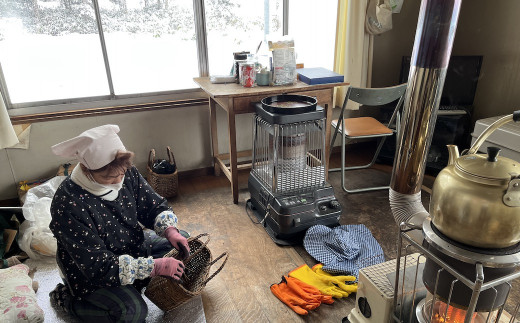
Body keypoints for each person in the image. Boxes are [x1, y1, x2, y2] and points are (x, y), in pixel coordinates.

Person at [48, 124, 190, 322]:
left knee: (182, 240)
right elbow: (99, 267)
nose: (118, 182)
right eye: (110, 177)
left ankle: (136, 281)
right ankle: (67, 299)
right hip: (92, 270)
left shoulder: (125, 171)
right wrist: (154, 267)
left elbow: (152, 205)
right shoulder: (68, 203)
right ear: (87, 170)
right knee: (132, 312)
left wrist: (170, 230)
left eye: (122, 174)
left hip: (130, 245)